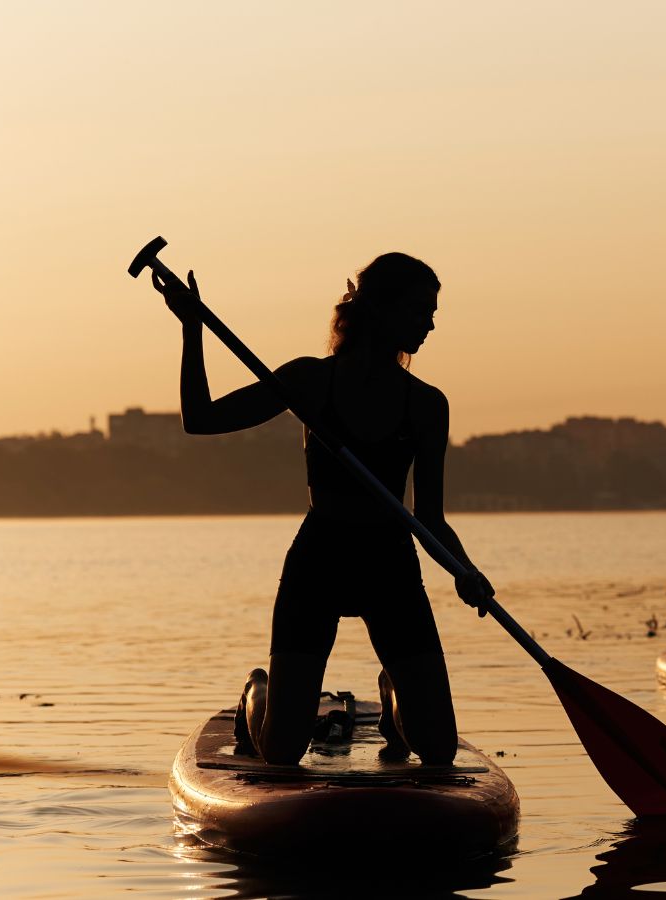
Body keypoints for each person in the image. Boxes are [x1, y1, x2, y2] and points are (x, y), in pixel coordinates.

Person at [152, 252, 493, 766]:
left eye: (433, 311)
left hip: (389, 563)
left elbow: (431, 519)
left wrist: (464, 571)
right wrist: (192, 328)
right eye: (421, 309)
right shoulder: (310, 381)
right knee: (282, 753)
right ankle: (258, 694)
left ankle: (394, 695)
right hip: (320, 561)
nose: (431, 323)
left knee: (439, 751)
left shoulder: (427, 405)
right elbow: (201, 419)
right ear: (381, 309)